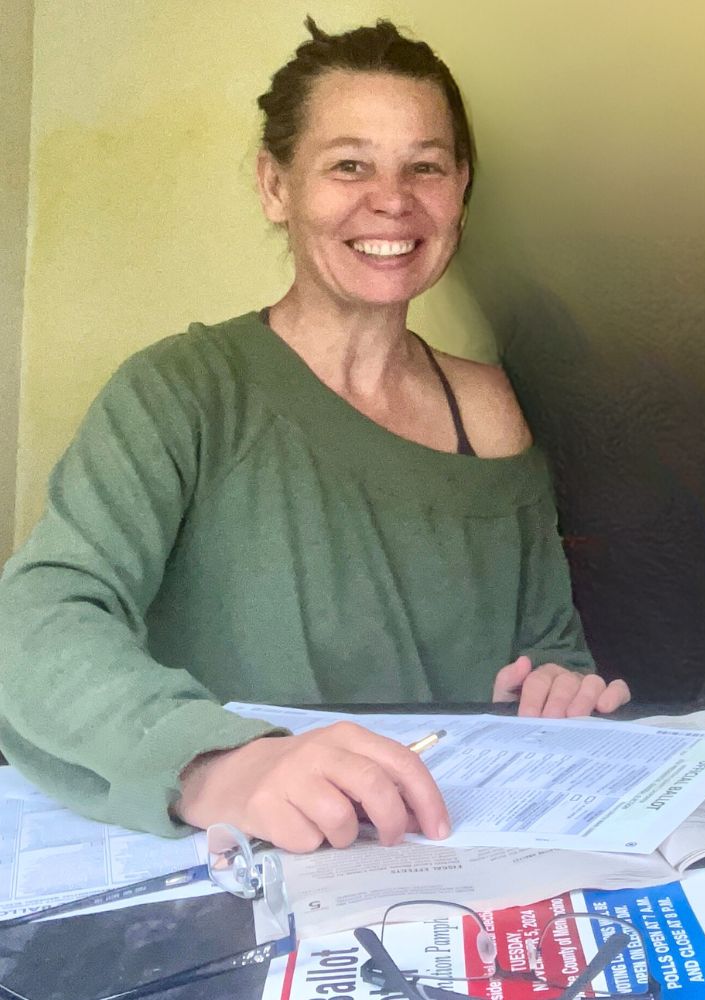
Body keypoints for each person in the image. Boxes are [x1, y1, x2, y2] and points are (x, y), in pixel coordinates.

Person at [0, 19, 630, 854]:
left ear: (460, 191)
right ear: (275, 186)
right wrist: (222, 767)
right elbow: (37, 620)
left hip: (453, 851)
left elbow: (551, 644)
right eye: (348, 164)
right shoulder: (181, 390)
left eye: (426, 167)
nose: (392, 199)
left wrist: (560, 689)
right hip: (248, 864)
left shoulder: (488, 407)